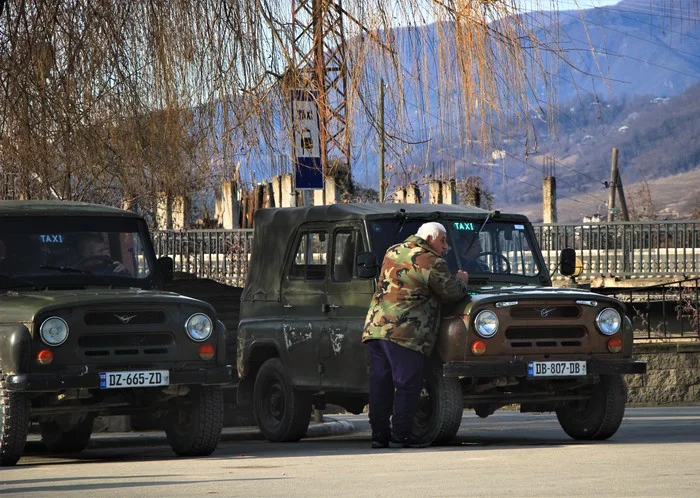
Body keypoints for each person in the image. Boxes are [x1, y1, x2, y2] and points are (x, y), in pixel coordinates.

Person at [362, 222, 469, 449]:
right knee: (407, 384)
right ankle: (402, 434)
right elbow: (451, 293)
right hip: (404, 332)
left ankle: (379, 435)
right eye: (443, 241)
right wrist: (462, 281)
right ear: (430, 239)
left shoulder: (393, 250)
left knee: (380, 383)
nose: (446, 246)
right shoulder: (430, 261)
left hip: (376, 328)